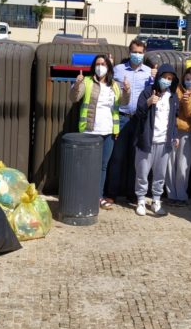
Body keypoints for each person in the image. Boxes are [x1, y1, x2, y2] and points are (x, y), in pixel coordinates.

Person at [72, 55, 131, 209]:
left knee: (103, 166)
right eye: (97, 64)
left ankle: (98, 196)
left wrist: (127, 90)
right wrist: (77, 84)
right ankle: (84, 195)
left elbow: (123, 102)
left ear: (109, 67)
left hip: (109, 131)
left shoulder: (115, 85)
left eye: (103, 64)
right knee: (87, 165)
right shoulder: (87, 81)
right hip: (89, 131)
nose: (100, 67)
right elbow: (74, 97)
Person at [106, 39, 152, 203]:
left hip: (139, 120)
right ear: (129, 52)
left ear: (144, 53)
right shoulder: (118, 70)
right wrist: (109, 67)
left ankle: (133, 193)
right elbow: (108, 86)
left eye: (140, 52)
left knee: (136, 158)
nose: (137, 55)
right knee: (117, 157)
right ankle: (111, 194)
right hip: (122, 118)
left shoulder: (148, 73)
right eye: (134, 52)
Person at [133, 64, 179, 217]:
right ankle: (140, 200)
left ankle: (156, 201)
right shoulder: (148, 92)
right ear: (158, 77)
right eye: (164, 77)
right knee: (142, 172)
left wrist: (175, 135)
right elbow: (138, 113)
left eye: (170, 79)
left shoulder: (172, 96)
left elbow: (174, 118)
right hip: (147, 140)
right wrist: (148, 103)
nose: (167, 81)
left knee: (160, 174)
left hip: (164, 142)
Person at [165, 66, 191, 205]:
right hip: (172, 130)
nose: (190, 81)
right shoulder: (177, 89)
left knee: (183, 164)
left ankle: (181, 195)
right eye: (187, 78)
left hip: (187, 131)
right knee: (169, 163)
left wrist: (186, 101)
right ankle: (170, 194)